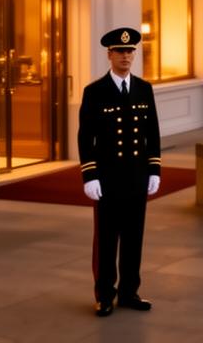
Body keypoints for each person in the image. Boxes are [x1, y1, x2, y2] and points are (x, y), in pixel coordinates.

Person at [78, 26, 161, 317]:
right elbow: (85, 137)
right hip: (108, 180)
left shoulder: (144, 89)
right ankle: (104, 295)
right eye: (120, 52)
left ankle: (129, 292)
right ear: (109, 55)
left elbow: (152, 132)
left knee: (133, 238)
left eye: (130, 52)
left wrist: (154, 170)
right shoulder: (95, 92)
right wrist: (90, 175)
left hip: (137, 177)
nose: (126, 57)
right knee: (107, 239)